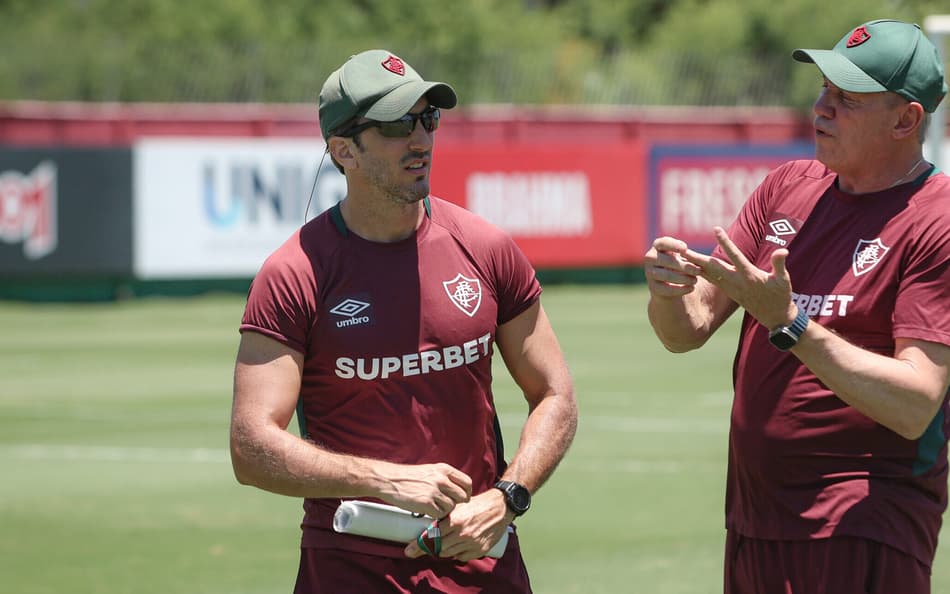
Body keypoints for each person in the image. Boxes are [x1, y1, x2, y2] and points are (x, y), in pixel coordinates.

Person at [229, 49, 577, 593]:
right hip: (349, 571)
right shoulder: (293, 274)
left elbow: (555, 394)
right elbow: (251, 448)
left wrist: (507, 498)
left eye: (427, 118)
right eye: (395, 125)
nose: (420, 140)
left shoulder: (485, 248)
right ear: (343, 149)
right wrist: (383, 480)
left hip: (484, 568)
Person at [644, 19, 950, 594]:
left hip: (862, 527)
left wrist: (788, 323)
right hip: (755, 520)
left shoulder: (938, 220)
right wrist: (668, 292)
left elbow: (916, 403)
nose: (820, 109)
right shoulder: (787, 186)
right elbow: (686, 331)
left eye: (846, 99)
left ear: (906, 119)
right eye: (823, 91)